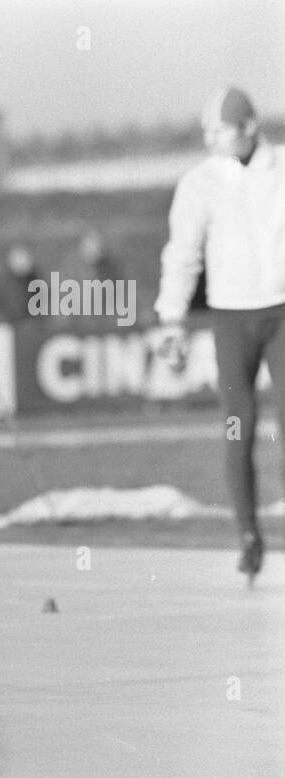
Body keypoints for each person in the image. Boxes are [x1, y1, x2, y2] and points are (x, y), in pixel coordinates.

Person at [154, 87, 285, 584]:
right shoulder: (199, 183)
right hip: (231, 319)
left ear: (249, 127)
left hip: (281, 314)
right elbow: (181, 254)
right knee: (239, 426)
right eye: (205, 131)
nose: (209, 139)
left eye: (219, 130)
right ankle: (249, 535)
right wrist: (171, 318)